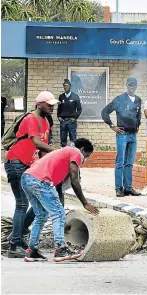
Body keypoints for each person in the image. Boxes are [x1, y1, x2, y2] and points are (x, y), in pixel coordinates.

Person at [21, 138, 99, 262]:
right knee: (57, 213)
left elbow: (59, 191)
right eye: (87, 156)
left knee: (41, 215)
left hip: (27, 178)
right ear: (83, 150)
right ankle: (60, 249)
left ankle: (32, 251)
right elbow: (75, 181)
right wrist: (85, 203)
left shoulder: (62, 155)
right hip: (40, 180)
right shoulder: (76, 153)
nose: (84, 160)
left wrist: (61, 216)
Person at [4, 91, 58, 258]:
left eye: (53, 105)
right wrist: (58, 152)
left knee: (38, 204)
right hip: (15, 162)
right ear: (39, 104)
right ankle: (14, 245)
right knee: (22, 204)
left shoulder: (46, 123)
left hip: (29, 166)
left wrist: (46, 171)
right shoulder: (31, 119)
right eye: (48, 104)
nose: (51, 107)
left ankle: (16, 237)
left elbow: (42, 149)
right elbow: (36, 141)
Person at [101, 77, 142, 197]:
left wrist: (137, 126)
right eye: (129, 85)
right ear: (126, 86)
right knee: (120, 162)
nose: (131, 87)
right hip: (122, 135)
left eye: (133, 85)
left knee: (129, 163)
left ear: (136, 86)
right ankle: (119, 188)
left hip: (133, 135)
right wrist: (112, 125)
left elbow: (138, 115)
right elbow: (105, 112)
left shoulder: (138, 100)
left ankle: (128, 188)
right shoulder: (119, 99)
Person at [57, 79, 82, 147]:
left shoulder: (75, 96)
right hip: (63, 121)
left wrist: (75, 118)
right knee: (63, 139)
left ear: (70, 86)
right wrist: (58, 116)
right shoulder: (61, 96)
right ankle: (63, 153)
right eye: (64, 86)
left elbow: (79, 109)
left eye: (67, 86)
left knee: (73, 140)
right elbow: (59, 108)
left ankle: (72, 153)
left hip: (71, 121)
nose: (65, 87)